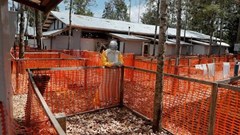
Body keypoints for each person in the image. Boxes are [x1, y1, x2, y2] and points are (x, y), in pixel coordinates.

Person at [95, 40, 124, 107]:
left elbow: (121, 62)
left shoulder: (118, 53)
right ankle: (103, 99)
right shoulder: (105, 53)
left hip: (116, 73)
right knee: (105, 85)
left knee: (115, 86)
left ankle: (114, 99)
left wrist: (118, 64)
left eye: (115, 46)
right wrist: (113, 64)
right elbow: (104, 62)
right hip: (108, 72)